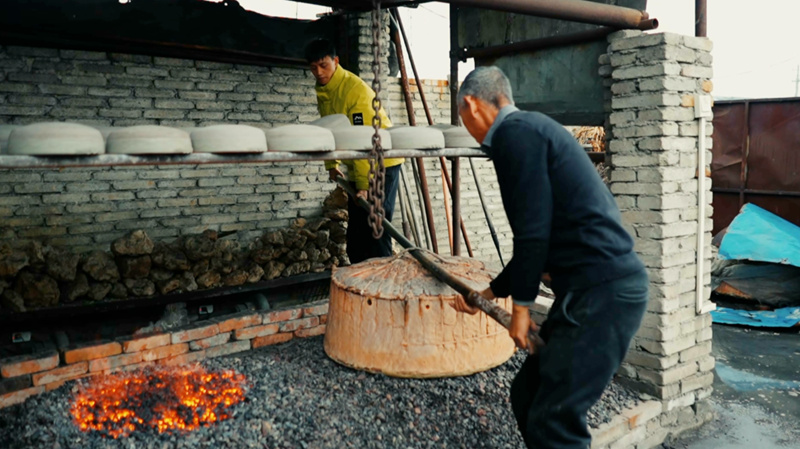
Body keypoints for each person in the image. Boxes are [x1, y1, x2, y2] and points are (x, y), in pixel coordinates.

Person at [451, 66, 649, 449]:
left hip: (604, 294)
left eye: (463, 119)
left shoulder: (514, 135)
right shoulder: (531, 130)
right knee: (528, 393)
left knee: (555, 420)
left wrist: (521, 309)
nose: (468, 129)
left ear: (471, 105)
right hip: (591, 292)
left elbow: (533, 233)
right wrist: (490, 295)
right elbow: (539, 238)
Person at [305, 39, 404, 264]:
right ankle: (359, 280)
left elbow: (363, 140)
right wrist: (332, 164)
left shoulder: (354, 90)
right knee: (357, 233)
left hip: (380, 163)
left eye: (324, 65)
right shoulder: (325, 90)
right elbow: (330, 126)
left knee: (375, 227)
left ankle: (382, 284)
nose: (319, 73)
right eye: (313, 68)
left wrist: (364, 185)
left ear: (336, 61)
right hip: (360, 163)